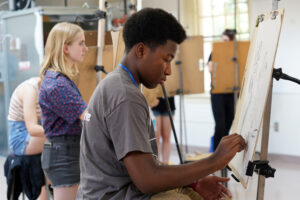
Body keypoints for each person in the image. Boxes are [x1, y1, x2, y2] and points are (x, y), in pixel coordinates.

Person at [78, 8, 246, 200]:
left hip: (124, 189)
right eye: (166, 59)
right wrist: (215, 161)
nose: (169, 71)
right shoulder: (125, 95)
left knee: (196, 193)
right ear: (140, 50)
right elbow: (148, 180)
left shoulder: (119, 84)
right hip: (115, 195)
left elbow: (149, 167)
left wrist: (195, 181)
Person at [39, 22, 88, 200]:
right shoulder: (57, 84)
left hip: (66, 150)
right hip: (64, 154)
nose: (86, 49)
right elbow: (87, 116)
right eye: (81, 43)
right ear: (66, 48)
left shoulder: (60, 80)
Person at [7, 77, 47, 200]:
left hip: (37, 132)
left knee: (63, 142)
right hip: (21, 137)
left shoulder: (53, 89)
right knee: (64, 140)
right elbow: (32, 129)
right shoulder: (30, 90)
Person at [208, 29, 236, 151]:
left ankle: (224, 156)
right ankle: (215, 155)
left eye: (225, 41)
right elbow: (210, 69)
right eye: (222, 39)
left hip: (230, 94)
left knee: (228, 124)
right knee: (220, 125)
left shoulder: (234, 55)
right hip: (217, 94)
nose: (222, 42)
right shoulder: (214, 53)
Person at [151, 96, 175, 164]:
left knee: (167, 137)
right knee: (156, 138)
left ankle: (166, 164)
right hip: (154, 106)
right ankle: (157, 164)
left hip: (169, 104)